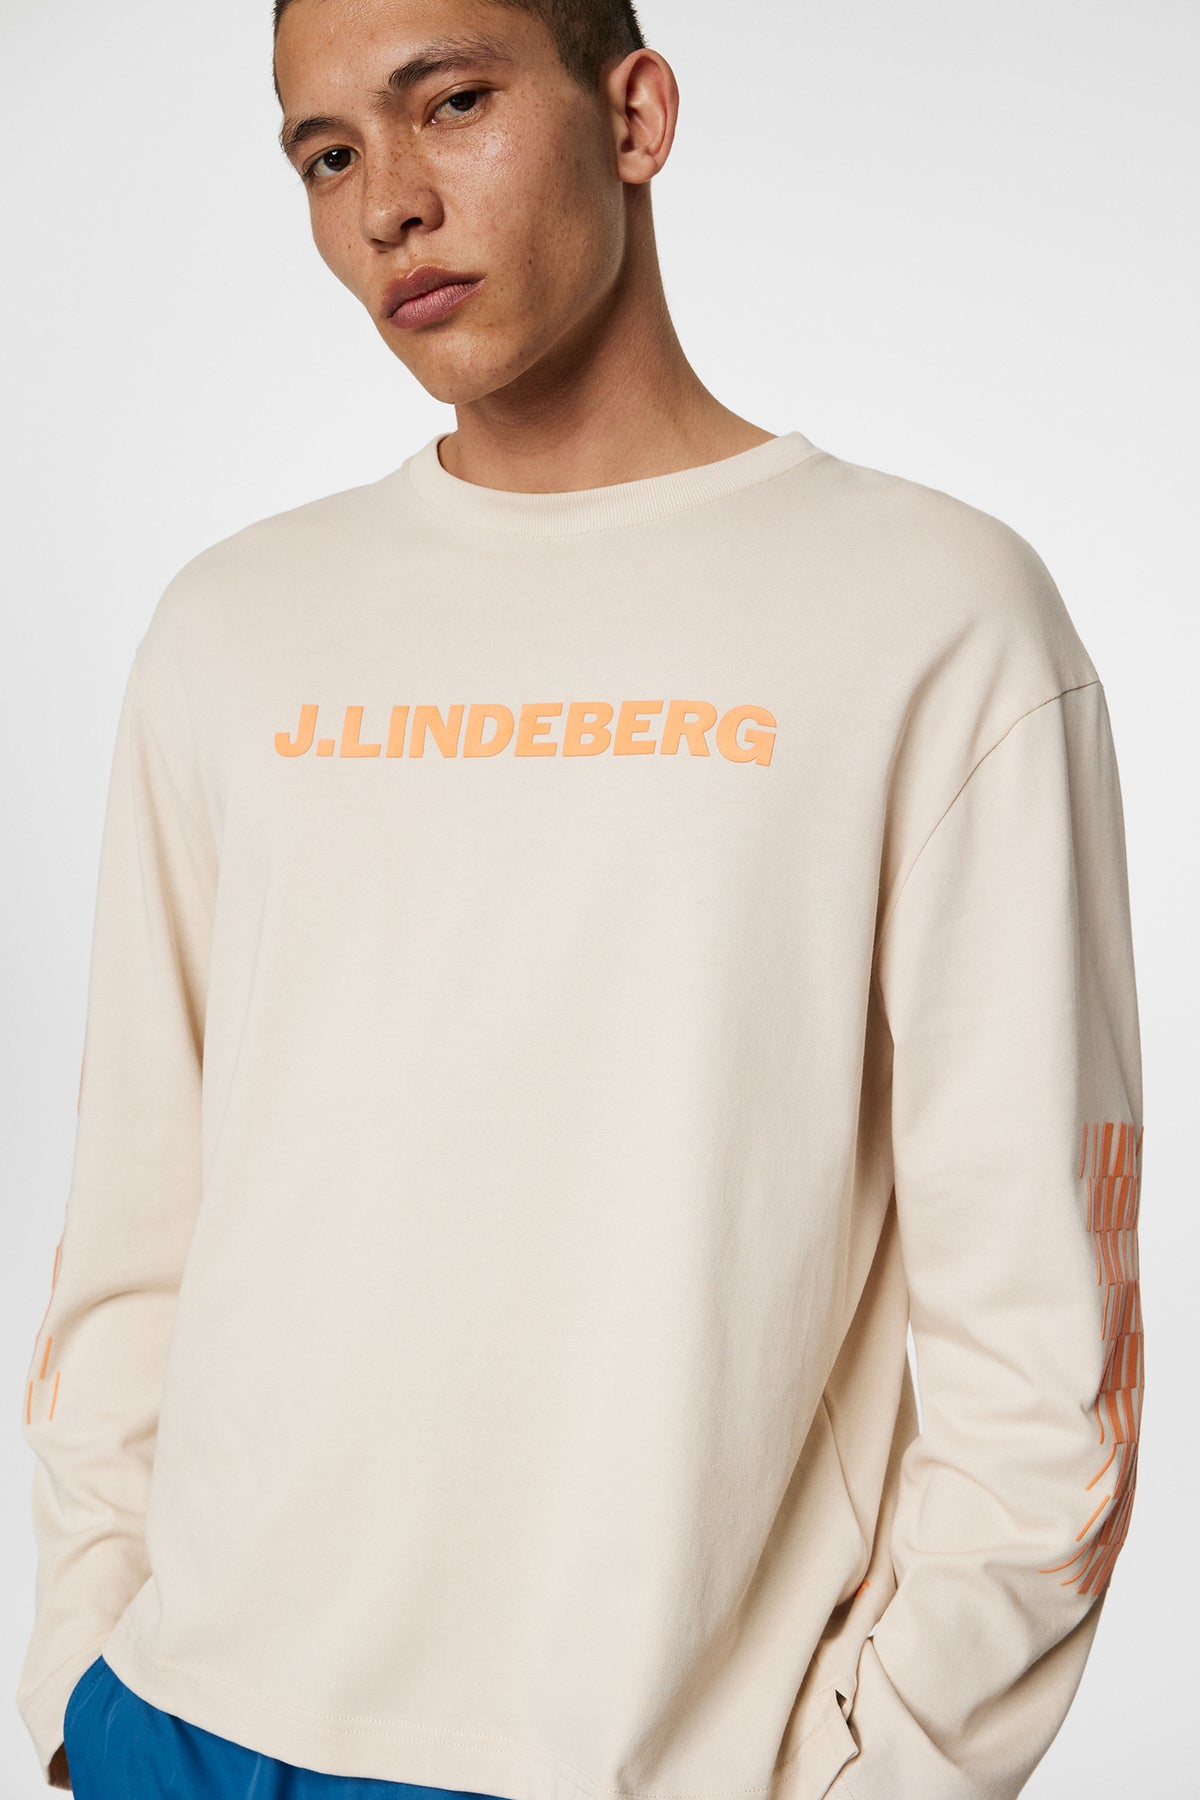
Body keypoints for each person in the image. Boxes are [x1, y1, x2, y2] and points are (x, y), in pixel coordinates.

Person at [17, 1, 1146, 1796]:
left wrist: (895, 1771)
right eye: (327, 154)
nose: (387, 203)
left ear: (636, 116)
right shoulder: (236, 628)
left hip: (643, 1757)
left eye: (453, 103)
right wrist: (87, 1674)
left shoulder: (935, 617)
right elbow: (138, 1211)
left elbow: (1039, 1324)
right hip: (187, 1724)